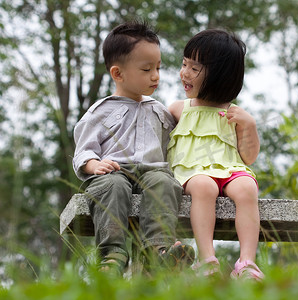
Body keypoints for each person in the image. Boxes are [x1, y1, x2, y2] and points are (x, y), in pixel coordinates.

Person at [72, 20, 194, 275]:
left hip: (152, 172)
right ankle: (111, 254)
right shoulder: (100, 111)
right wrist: (95, 165)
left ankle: (158, 250)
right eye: (146, 69)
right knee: (111, 186)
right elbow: (84, 150)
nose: (155, 76)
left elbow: (175, 146)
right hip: (114, 172)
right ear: (118, 74)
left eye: (158, 68)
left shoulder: (160, 111)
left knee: (164, 181)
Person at [167, 29, 264, 280]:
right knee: (204, 187)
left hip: (230, 170)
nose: (184, 73)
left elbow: (249, 157)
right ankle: (207, 260)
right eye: (184, 64)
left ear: (220, 76)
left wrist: (249, 125)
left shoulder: (235, 113)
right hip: (193, 172)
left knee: (247, 188)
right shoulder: (179, 109)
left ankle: (247, 263)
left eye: (194, 68)